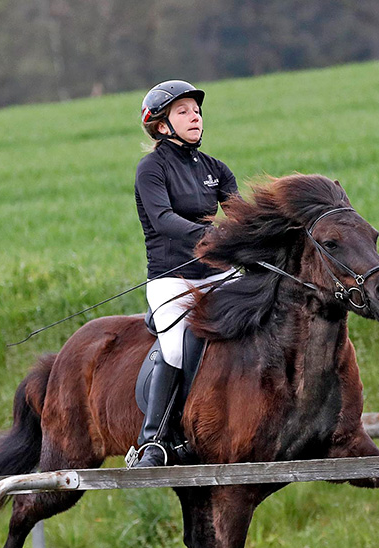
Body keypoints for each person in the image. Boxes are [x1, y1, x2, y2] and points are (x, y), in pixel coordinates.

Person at [127, 80, 239, 469]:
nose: (195, 117)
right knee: (175, 346)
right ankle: (153, 441)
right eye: (183, 112)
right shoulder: (151, 169)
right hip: (171, 278)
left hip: (217, 274)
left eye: (197, 111)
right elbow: (163, 220)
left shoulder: (215, 169)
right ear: (161, 125)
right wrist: (213, 233)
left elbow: (240, 217)